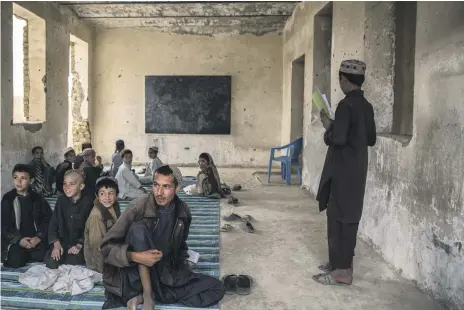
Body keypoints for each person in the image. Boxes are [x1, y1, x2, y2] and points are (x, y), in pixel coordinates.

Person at [100, 165, 225, 310]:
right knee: (138, 230)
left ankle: (149, 295)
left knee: (216, 288)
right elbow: (105, 248)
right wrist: (135, 256)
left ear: (177, 188)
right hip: (133, 275)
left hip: (163, 272)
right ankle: (147, 295)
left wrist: (183, 270)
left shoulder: (182, 211)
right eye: (155, 185)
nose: (159, 192)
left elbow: (180, 246)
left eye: (166, 186)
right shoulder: (137, 207)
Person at [313, 59, 377, 286]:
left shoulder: (345, 105)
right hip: (357, 170)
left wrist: (328, 127)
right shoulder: (366, 106)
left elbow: (337, 138)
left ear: (343, 79)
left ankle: (341, 271)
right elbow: (371, 139)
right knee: (349, 217)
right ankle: (343, 264)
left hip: (341, 170)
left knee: (338, 218)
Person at [1, 164, 52, 268]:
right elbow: (4, 224)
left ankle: (30, 254)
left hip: (34, 239)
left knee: (45, 255)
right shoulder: (8, 199)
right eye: (15, 178)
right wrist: (19, 240)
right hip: (16, 240)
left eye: (23, 178)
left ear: (31, 180)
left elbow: (47, 219)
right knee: (16, 260)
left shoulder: (38, 198)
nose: (18, 182)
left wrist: (39, 237)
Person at [44, 170, 94, 269]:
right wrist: (56, 243)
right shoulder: (61, 200)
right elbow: (53, 223)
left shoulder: (88, 202)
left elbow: (90, 228)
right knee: (51, 262)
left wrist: (80, 244)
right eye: (65, 184)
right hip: (63, 241)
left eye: (72, 184)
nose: (67, 187)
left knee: (75, 260)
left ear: (81, 187)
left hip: (79, 243)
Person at [84, 177, 121, 273]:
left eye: (111, 193)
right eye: (102, 194)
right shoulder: (96, 215)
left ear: (116, 195)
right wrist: (103, 269)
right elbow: (96, 245)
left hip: (111, 247)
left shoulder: (114, 206)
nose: (107, 198)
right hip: (98, 260)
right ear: (97, 196)